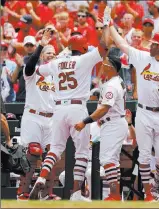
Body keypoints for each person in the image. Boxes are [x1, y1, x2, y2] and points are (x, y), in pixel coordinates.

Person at [104, 6, 159, 201]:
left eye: (155, 44)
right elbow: (121, 44)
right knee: (143, 156)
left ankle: (157, 184)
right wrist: (109, 23)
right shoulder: (142, 57)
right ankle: (149, 193)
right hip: (143, 113)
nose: (150, 45)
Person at [29, 33, 107, 201]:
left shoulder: (56, 62)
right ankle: (76, 192)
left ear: (70, 47)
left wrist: (60, 60)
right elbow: (105, 46)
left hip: (58, 109)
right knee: (82, 152)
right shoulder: (84, 59)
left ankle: (42, 176)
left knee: (55, 149)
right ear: (84, 47)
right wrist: (107, 25)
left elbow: (36, 71)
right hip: (77, 107)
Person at [75, 47, 128, 201]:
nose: (102, 66)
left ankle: (115, 195)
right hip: (114, 122)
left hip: (113, 123)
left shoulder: (112, 85)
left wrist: (85, 121)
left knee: (107, 160)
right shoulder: (114, 81)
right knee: (113, 161)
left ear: (111, 67)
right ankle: (116, 194)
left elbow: (104, 108)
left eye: (105, 64)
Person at [16, 30, 59, 201]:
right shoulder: (32, 71)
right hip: (33, 116)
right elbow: (31, 62)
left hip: (51, 118)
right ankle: (23, 192)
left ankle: (47, 193)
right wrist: (41, 43)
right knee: (33, 153)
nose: (51, 56)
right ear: (41, 55)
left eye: (54, 54)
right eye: (48, 53)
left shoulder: (57, 76)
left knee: (52, 154)